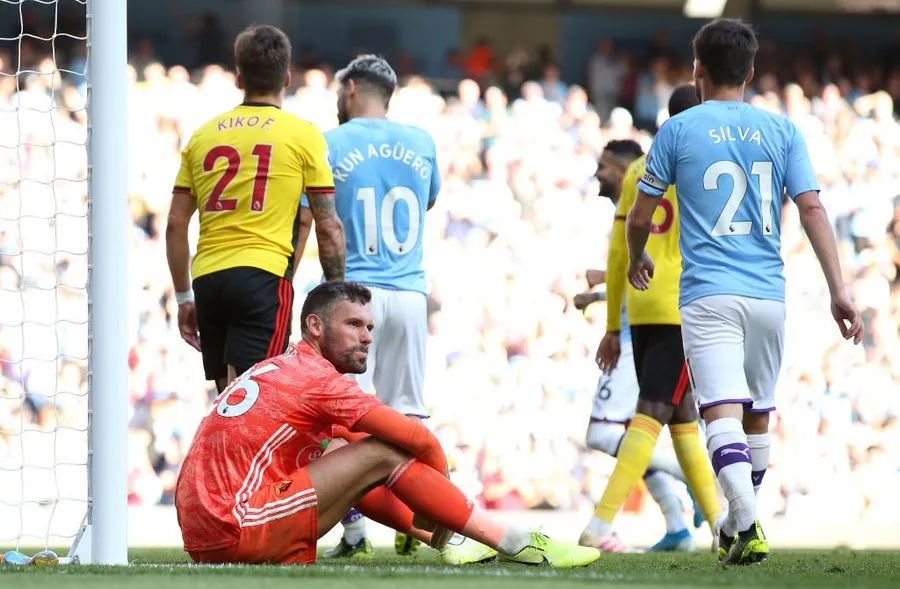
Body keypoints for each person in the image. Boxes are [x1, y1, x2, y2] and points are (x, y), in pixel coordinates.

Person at [627, 19, 863, 565]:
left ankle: (747, 520)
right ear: (751, 72)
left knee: (720, 414)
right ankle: (739, 524)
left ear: (697, 71)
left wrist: (638, 253)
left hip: (709, 291)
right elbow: (811, 209)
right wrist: (839, 289)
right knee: (757, 416)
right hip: (768, 293)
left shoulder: (678, 130)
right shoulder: (782, 130)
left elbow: (641, 213)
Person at [174, 281, 601, 568]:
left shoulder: (283, 366)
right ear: (315, 326)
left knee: (346, 451)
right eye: (354, 325)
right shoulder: (317, 379)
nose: (367, 337)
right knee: (384, 450)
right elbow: (414, 437)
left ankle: (450, 539)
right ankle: (515, 541)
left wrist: (433, 504)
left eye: (369, 327)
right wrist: (442, 486)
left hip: (208, 527)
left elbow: (352, 445)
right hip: (234, 524)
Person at [297, 55, 447, 560]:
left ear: (353, 86)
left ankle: (356, 533)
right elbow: (425, 202)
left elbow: (318, 218)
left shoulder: (328, 142)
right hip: (407, 292)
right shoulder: (422, 142)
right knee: (408, 413)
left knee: (347, 419)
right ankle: (420, 518)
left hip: (353, 294)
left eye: (340, 90)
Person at [166, 25, 346, 394]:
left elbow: (174, 224)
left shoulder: (202, 136)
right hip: (262, 276)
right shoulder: (303, 134)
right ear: (287, 76)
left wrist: (185, 298)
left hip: (209, 279)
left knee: (228, 401)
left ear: (238, 77)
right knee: (259, 402)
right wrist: (337, 295)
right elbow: (327, 224)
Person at [577, 133, 711, 555]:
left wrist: (612, 321)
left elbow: (623, 258)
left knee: (663, 419)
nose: (597, 174)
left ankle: (709, 517)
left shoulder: (641, 174)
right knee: (663, 417)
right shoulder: (696, 168)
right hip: (674, 308)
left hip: (643, 314)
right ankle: (687, 520)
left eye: (602, 166)